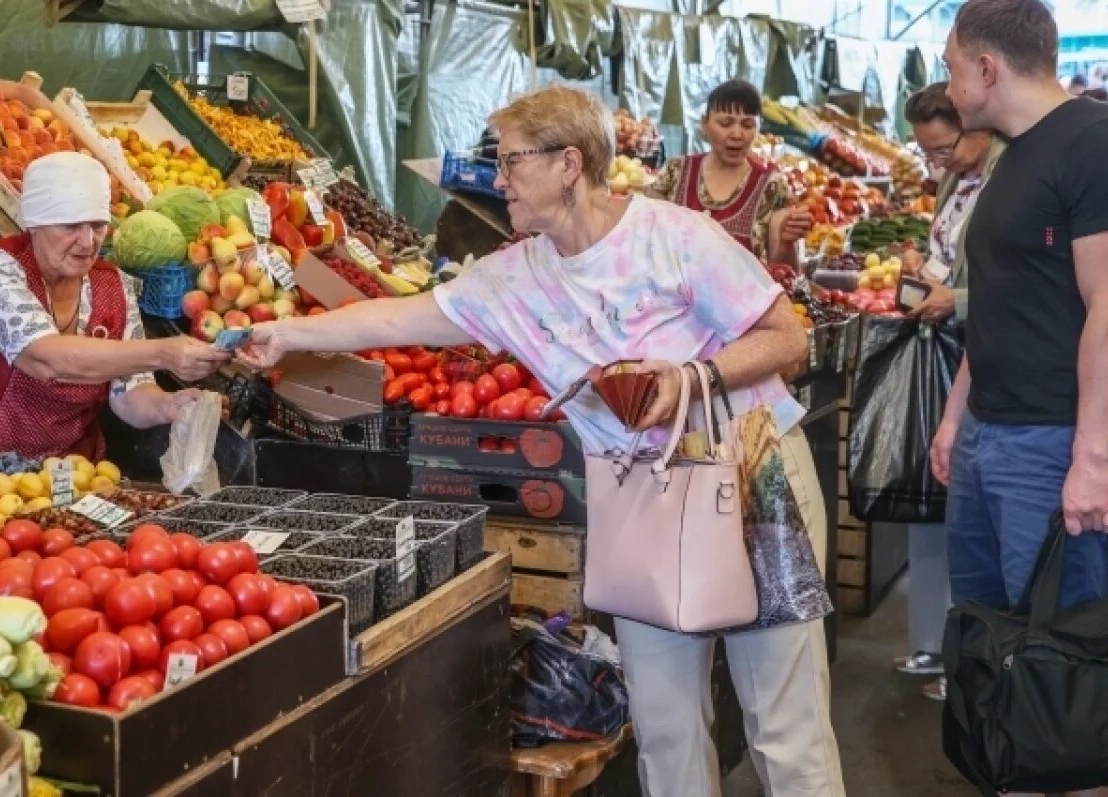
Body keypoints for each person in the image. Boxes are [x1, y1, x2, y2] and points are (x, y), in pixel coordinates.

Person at [238, 84, 845, 797]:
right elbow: (393, 319)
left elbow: (788, 338)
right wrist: (281, 334)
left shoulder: (674, 238)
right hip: (641, 502)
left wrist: (694, 376)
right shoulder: (513, 278)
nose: (497, 181)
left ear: (567, 163)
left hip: (748, 480)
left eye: (510, 162)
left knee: (785, 730)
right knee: (666, 731)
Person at [936, 5, 1108, 793]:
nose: (946, 87)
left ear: (986, 68)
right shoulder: (1012, 155)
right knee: (990, 631)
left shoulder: (1094, 142)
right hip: (986, 436)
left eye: (950, 67)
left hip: (1049, 442)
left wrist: (1091, 456)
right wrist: (953, 419)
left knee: (1063, 655)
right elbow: (999, 299)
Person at [0, 152, 230, 464]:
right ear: (35, 224)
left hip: (69, 475)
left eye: (97, 226)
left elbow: (129, 393)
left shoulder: (114, 285)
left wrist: (169, 405)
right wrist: (164, 353)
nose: (87, 241)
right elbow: (45, 358)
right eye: (70, 226)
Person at [891, 82, 1005, 702]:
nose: (939, 162)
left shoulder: (1011, 181)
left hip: (987, 362)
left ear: (976, 123)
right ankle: (935, 644)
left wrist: (956, 299)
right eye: (927, 153)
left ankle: (973, 657)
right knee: (933, 499)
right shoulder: (952, 182)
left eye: (943, 149)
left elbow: (1017, 282)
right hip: (945, 356)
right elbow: (947, 255)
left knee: (972, 508)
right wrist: (922, 269)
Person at [650, 80, 812, 264]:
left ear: (759, 127)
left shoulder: (771, 186)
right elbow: (647, 239)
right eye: (725, 123)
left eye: (748, 125)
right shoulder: (676, 171)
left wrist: (787, 242)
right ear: (704, 123)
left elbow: (782, 272)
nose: (737, 134)